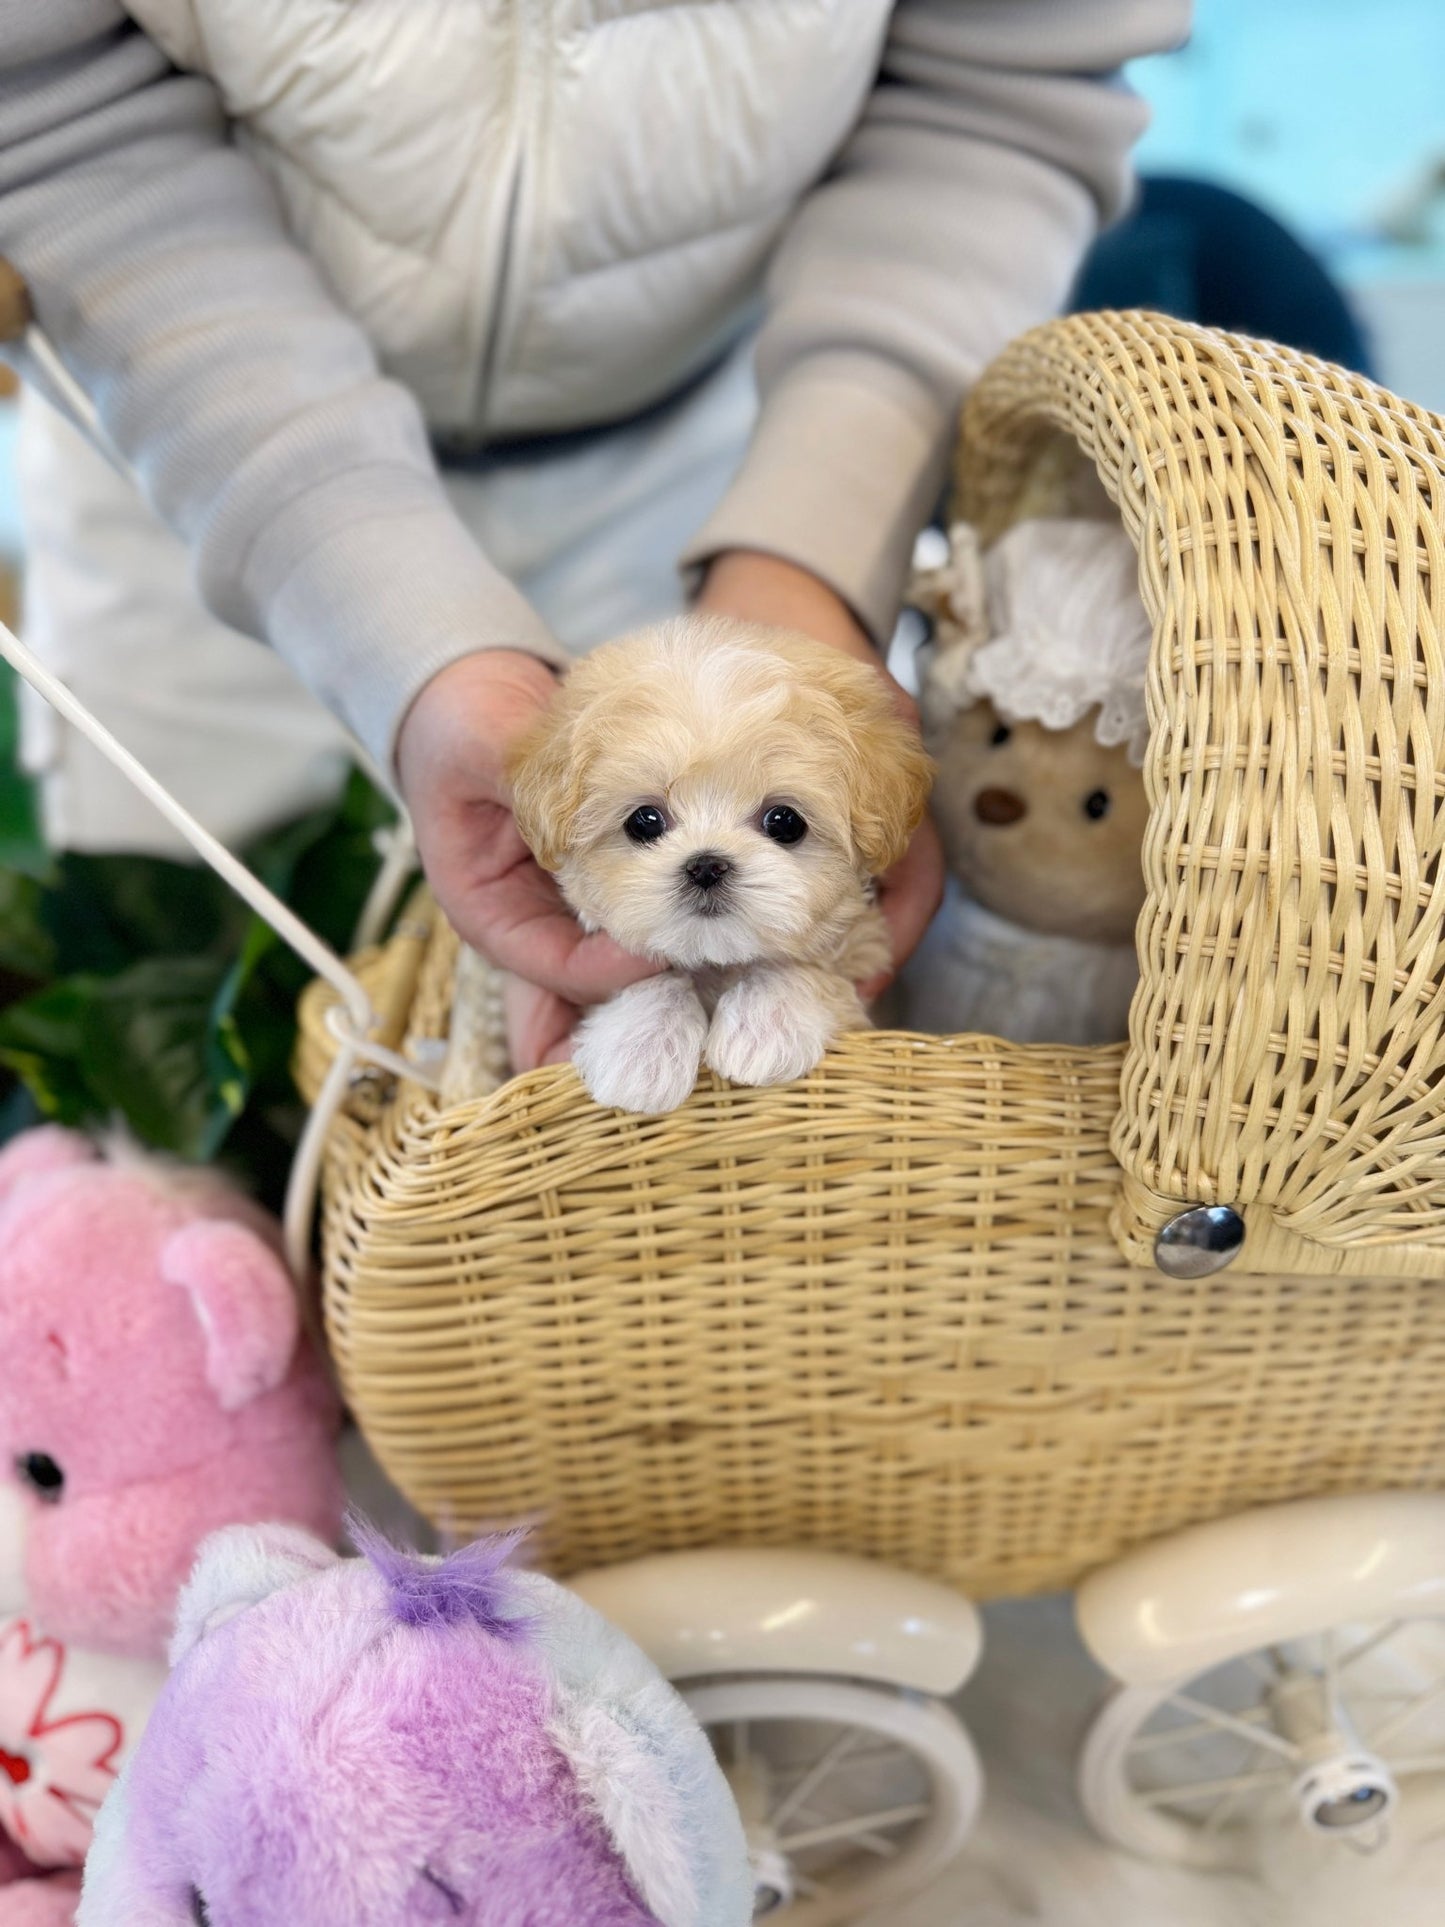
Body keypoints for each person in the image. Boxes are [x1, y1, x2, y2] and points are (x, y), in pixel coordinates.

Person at [0, 1, 1189, 1071]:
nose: (710, 860)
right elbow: (51, 101)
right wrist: (368, 593)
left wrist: (812, 560)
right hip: (188, 445)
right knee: (175, 1013)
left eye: (776, 825)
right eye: (648, 825)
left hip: (736, 446)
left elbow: (999, 97)